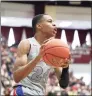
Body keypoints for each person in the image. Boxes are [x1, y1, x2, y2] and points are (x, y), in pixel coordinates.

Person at [10, 14, 70, 95]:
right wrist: (38, 57)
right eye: (50, 21)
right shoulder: (27, 43)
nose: (54, 24)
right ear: (39, 26)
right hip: (24, 90)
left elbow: (63, 84)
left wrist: (66, 68)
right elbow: (16, 77)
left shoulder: (54, 50)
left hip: (40, 93)